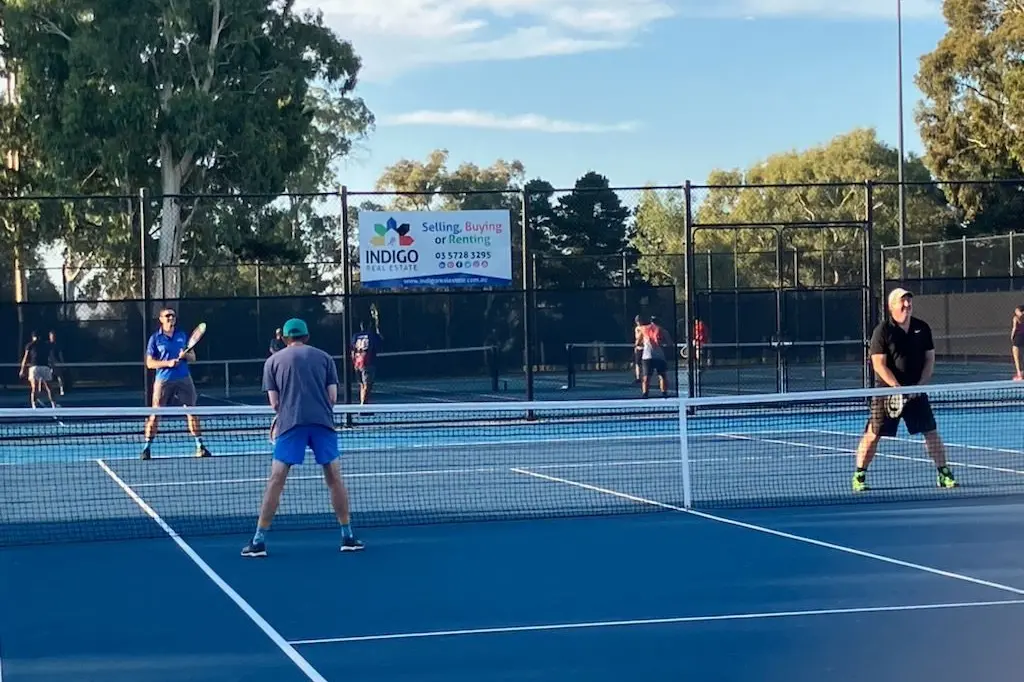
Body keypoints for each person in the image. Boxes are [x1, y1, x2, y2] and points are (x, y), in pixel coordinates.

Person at [242, 317, 363, 557]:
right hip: (322, 424)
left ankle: (258, 541)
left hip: (290, 425)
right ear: (307, 336)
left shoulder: (272, 362)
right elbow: (332, 397)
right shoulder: (325, 358)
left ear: (285, 338)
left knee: (276, 480)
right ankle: (348, 536)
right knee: (334, 478)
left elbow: (274, 403)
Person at [853, 288, 956, 492]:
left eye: (909, 301)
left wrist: (920, 386)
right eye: (903, 301)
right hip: (886, 394)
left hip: (916, 393)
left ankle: (944, 473)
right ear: (891, 306)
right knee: (873, 434)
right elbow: (879, 365)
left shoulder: (922, 328)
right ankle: (859, 475)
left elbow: (929, 360)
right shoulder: (882, 330)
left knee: (931, 433)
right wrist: (897, 388)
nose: (907, 305)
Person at [142, 307, 211, 460]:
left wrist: (185, 355)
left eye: (173, 315)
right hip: (163, 379)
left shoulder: (182, 335)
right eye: (167, 316)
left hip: (184, 378)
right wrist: (167, 363)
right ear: (161, 319)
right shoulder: (155, 339)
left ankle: (200, 446)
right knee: (155, 414)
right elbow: (150, 363)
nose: (171, 318)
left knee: (192, 412)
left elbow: (193, 358)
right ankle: (146, 448)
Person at [18, 331, 56, 408]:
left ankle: (34, 405)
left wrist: (22, 369)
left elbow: (25, 358)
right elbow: (51, 357)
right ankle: (53, 404)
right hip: (45, 367)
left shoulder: (30, 345)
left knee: (34, 388)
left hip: (34, 367)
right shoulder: (46, 345)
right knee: (49, 387)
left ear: (33, 337)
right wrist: (52, 367)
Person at [351, 319, 383, 405]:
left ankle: (363, 403)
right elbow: (379, 345)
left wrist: (354, 362)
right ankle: (363, 405)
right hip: (367, 362)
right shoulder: (372, 335)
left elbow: (352, 350)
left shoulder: (356, 336)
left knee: (362, 385)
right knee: (367, 385)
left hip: (357, 362)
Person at [636, 315, 670, 398]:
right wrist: (661, 344)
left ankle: (645, 394)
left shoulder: (644, 329)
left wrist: (644, 344)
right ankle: (664, 393)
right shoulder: (663, 330)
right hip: (659, 357)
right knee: (662, 376)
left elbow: (637, 343)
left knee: (646, 377)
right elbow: (669, 343)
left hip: (647, 356)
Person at [47, 330, 66, 397]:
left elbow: (60, 355)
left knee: (60, 377)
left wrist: (62, 364)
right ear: (49, 336)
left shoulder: (57, 345)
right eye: (52, 336)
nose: (53, 337)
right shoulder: (47, 344)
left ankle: (61, 389)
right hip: (48, 363)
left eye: (54, 336)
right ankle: (49, 390)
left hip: (56, 363)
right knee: (48, 378)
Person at [1011, 306, 1024, 380]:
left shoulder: (1016, 318)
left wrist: (1012, 336)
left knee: (1017, 357)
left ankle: (1019, 374)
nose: (1015, 312)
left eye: (1016, 311)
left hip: (1018, 337)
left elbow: (1014, 328)